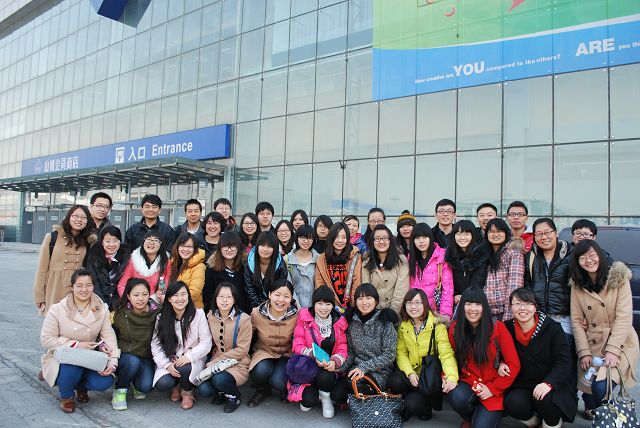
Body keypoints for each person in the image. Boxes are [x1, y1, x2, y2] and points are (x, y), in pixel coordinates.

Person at [569, 240, 639, 420]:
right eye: (582, 258)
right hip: (593, 343)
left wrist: (613, 351)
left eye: (592, 255)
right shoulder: (577, 285)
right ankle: (602, 412)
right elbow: (576, 321)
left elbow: (624, 318)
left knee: (601, 387)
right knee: (591, 398)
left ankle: (615, 420)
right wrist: (584, 352)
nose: (588, 260)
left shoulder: (618, 278)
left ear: (600, 255)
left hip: (620, 342)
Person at [40, 268, 120, 413]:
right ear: (72, 287)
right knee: (71, 369)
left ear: (93, 286)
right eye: (79, 285)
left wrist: (113, 362)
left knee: (105, 381)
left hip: (89, 356)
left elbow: (109, 336)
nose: (84, 289)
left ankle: (80, 386)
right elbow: (46, 339)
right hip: (64, 357)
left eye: (88, 285)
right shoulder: (57, 309)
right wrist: (76, 344)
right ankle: (67, 396)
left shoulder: (102, 308)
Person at [502, 288, 577, 428]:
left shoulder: (552, 328)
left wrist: (549, 383)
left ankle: (551, 423)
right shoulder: (506, 328)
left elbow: (564, 361)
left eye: (528, 303)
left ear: (535, 306)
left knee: (545, 400)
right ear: (511, 307)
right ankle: (534, 422)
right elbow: (498, 353)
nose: (522, 308)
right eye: (517, 303)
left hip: (552, 382)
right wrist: (501, 363)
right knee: (513, 402)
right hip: (524, 384)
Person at [448, 287, 520, 428]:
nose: (472, 309)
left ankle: (482, 418)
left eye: (478, 304)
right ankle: (471, 417)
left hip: (493, 388)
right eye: (468, 304)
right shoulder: (455, 329)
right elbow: (450, 357)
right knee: (456, 396)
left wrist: (492, 388)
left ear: (484, 307)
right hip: (469, 382)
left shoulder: (497, 327)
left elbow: (514, 364)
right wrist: (447, 376)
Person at [389, 289, 458, 421]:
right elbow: (401, 353)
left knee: (413, 405)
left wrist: (452, 376)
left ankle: (426, 403)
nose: (413, 306)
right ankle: (408, 398)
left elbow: (446, 354)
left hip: (428, 375)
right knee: (395, 382)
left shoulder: (437, 327)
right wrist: (410, 373)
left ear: (425, 304)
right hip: (411, 372)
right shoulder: (404, 326)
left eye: (417, 302)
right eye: (409, 303)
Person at [332, 283, 397, 404]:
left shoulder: (385, 321)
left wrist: (364, 367)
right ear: (355, 301)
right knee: (336, 396)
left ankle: (369, 402)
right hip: (356, 368)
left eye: (368, 298)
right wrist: (339, 368)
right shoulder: (352, 321)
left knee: (358, 387)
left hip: (380, 371)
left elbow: (389, 355)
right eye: (360, 298)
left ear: (376, 301)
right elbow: (351, 351)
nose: (364, 302)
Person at [151, 281, 212, 410]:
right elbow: (155, 345)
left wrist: (189, 357)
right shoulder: (161, 318)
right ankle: (176, 385)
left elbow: (206, 342)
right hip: (171, 359)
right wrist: (166, 365)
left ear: (188, 296)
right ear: (169, 299)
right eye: (175, 295)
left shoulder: (198, 314)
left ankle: (187, 391)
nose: (180, 298)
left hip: (193, 358)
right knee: (162, 384)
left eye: (183, 294)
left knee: (184, 368)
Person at [291, 285, 348, 418]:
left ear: (333, 305)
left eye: (328, 304)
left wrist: (335, 361)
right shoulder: (304, 318)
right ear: (314, 304)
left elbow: (343, 347)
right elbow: (297, 345)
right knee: (307, 402)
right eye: (320, 303)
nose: (324, 308)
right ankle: (313, 392)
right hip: (308, 367)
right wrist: (313, 354)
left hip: (327, 369)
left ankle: (325, 398)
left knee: (325, 376)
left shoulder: (339, 322)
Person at [524, 218, 576, 366]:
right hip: (539, 319)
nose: (544, 237)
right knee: (542, 363)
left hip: (564, 319)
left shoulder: (571, 254)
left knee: (563, 361)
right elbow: (527, 287)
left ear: (556, 233)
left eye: (547, 232)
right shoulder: (531, 257)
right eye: (539, 234)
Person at [198, 282, 252, 413]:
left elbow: (242, 350)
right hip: (217, 360)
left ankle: (234, 396)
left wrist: (216, 361)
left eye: (229, 297)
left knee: (219, 379)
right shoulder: (211, 316)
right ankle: (222, 391)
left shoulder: (244, 319)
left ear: (234, 300)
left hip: (238, 362)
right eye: (221, 297)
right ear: (216, 299)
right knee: (204, 390)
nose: (225, 300)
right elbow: (208, 341)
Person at [34, 205, 95, 315]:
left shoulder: (88, 242)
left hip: (76, 291)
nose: (79, 220)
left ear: (88, 221)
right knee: (54, 322)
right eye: (75, 216)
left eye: (83, 217)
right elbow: (41, 269)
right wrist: (39, 296)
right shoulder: (52, 237)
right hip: (54, 289)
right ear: (68, 217)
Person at [248, 280, 299, 407]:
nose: (281, 300)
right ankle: (262, 390)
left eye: (286, 296)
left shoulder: (297, 315)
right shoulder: (257, 313)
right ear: (270, 294)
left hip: (286, 353)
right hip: (264, 351)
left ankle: (284, 389)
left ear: (291, 298)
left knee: (278, 382)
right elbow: (246, 336)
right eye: (277, 294)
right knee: (259, 371)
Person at [112, 278, 161, 410]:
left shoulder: (157, 312)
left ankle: (135, 383)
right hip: (126, 356)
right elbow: (111, 334)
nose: (141, 299)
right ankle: (120, 390)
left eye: (144, 294)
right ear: (128, 296)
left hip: (146, 356)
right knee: (133, 362)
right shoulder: (120, 313)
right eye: (136, 295)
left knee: (145, 387)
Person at [408, 223, 455, 320]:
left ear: (430, 238)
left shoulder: (442, 256)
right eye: (417, 238)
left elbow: (447, 289)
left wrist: (444, 316)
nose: (421, 241)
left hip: (435, 313)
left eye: (424, 237)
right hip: (415, 313)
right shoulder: (410, 258)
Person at [362, 224, 410, 317]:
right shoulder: (366, 263)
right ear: (372, 242)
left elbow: (401, 291)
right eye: (377, 238)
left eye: (385, 238)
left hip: (395, 314)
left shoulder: (401, 261)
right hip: (372, 313)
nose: (381, 242)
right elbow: (366, 291)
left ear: (390, 240)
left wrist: (392, 315)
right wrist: (374, 315)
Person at [484, 218, 524, 321]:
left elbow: (514, 286)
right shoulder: (485, 253)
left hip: (504, 313)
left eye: (499, 231)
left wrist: (508, 318)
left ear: (506, 233)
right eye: (492, 232)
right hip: (486, 313)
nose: (495, 234)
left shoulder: (513, 252)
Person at [314, 222, 362, 310]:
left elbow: (356, 284)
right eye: (336, 237)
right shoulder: (321, 259)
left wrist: (354, 307)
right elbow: (319, 285)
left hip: (350, 307)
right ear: (331, 238)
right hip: (330, 307)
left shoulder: (355, 257)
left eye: (344, 237)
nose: (340, 240)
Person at [117, 230, 172, 302]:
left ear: (161, 245)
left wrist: (162, 295)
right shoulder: (133, 260)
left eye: (156, 240)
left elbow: (169, 285)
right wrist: (129, 301)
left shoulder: (166, 262)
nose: (151, 243)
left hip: (158, 303)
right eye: (148, 239)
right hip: (136, 303)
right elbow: (122, 285)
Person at [85, 225, 131, 310]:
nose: (111, 244)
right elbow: (93, 281)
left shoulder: (126, 256)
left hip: (119, 303)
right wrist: (101, 304)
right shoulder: (94, 256)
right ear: (102, 242)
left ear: (120, 242)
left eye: (115, 241)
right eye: (108, 241)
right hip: (97, 300)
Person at [445, 220, 490, 306]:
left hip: (476, 303)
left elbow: (478, 282)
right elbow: (447, 282)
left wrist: (466, 296)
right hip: (454, 304)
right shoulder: (449, 257)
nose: (462, 237)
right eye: (459, 234)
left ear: (473, 236)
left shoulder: (480, 255)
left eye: (467, 234)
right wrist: (454, 296)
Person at [204, 232, 248, 314]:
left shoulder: (245, 267)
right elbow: (208, 296)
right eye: (225, 246)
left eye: (233, 246)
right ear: (220, 248)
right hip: (219, 315)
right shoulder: (211, 269)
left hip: (243, 315)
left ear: (238, 248)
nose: (229, 250)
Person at [244, 231, 288, 309]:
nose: (265, 249)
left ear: (275, 249)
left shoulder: (280, 265)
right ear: (257, 246)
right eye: (262, 245)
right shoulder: (249, 263)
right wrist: (259, 308)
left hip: (275, 305)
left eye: (269, 246)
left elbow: (281, 289)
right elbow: (250, 289)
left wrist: (271, 307)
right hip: (254, 307)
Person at [285, 225, 319, 308]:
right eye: (302, 237)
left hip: (315, 307)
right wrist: (297, 306)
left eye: (310, 238)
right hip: (293, 307)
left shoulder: (319, 259)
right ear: (297, 238)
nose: (306, 241)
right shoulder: (287, 259)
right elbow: (287, 286)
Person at [169, 233, 206, 309]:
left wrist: (171, 299)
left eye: (189, 247)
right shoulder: (173, 263)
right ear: (177, 247)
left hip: (191, 309)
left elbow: (194, 293)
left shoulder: (199, 266)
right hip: (173, 307)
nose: (185, 249)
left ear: (195, 249)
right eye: (182, 245)